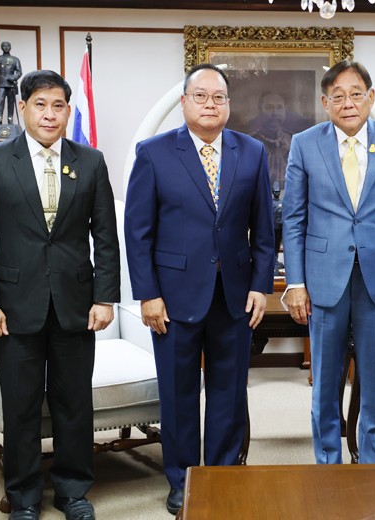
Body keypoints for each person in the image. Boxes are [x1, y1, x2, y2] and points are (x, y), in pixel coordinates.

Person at [0, 70, 120, 520]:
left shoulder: (91, 161)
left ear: (68, 111)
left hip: (76, 304)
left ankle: (73, 492)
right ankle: (25, 496)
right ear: (23, 108)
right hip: (13, 307)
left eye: (58, 106)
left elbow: (105, 237)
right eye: (40, 105)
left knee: (75, 404)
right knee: (22, 406)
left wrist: (105, 298)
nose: (50, 114)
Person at [124, 63, 275, 515]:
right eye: (201, 96)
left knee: (230, 392)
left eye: (219, 97)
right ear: (184, 102)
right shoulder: (153, 153)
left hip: (235, 294)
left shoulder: (252, 152)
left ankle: (222, 476)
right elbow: (138, 232)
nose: (211, 104)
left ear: (229, 104)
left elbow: (264, 229)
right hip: (171, 298)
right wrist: (148, 294)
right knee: (178, 394)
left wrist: (261, 286)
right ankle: (183, 479)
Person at [282, 60, 375, 465]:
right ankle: (328, 463)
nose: (348, 103)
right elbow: (294, 218)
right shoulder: (305, 143)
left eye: (356, 94)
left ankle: (372, 467)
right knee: (325, 381)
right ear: (325, 103)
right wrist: (295, 283)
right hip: (324, 278)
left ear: (371, 98)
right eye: (337, 96)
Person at [249, 91, 313, 187]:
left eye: (280, 108)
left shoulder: (295, 140)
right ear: (260, 111)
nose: (275, 113)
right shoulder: (249, 142)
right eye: (269, 108)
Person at [0, 41, 23, 124]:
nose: (6, 47)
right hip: (1, 83)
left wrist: (13, 77)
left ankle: (10, 118)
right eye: (4, 46)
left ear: (10, 47)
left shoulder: (15, 59)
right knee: (0, 101)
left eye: (8, 46)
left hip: (11, 84)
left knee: (11, 102)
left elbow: (19, 72)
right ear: (1, 47)